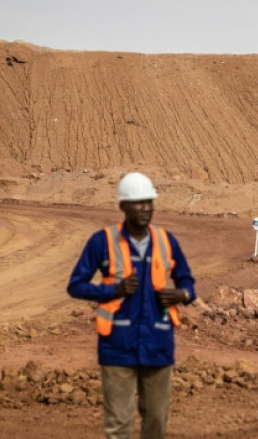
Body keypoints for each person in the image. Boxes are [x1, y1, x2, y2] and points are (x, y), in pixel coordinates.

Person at [68, 172, 196, 439]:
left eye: (149, 202)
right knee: (119, 425)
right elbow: (76, 285)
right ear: (123, 206)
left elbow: (187, 281)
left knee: (156, 423)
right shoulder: (102, 241)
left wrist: (182, 294)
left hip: (158, 344)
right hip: (117, 346)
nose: (145, 208)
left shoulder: (167, 241)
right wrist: (113, 290)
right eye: (138, 202)